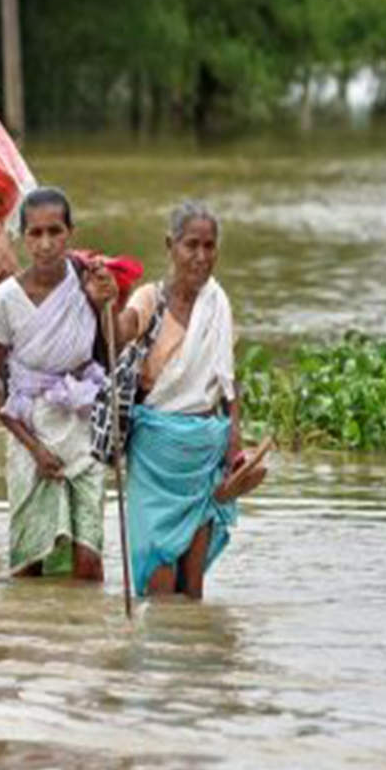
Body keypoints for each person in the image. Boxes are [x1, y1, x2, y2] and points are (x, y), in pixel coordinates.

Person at [93, 200, 265, 600]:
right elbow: (120, 331)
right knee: (159, 579)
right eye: (191, 245)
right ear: (170, 245)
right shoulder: (150, 299)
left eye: (209, 246)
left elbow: (228, 379)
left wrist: (234, 440)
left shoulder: (217, 304)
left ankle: (191, 656)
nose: (201, 257)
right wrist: (109, 302)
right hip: (156, 459)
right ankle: (163, 658)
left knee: (192, 593)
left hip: (204, 455)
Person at [0, 187, 110, 580]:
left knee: (89, 562)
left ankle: (81, 635)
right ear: (21, 237)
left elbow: (107, 356)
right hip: (29, 430)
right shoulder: (5, 299)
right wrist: (34, 448)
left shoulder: (89, 285)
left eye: (55, 232)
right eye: (35, 234)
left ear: (70, 232)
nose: (46, 244)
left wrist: (104, 304)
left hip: (82, 428)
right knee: (29, 559)